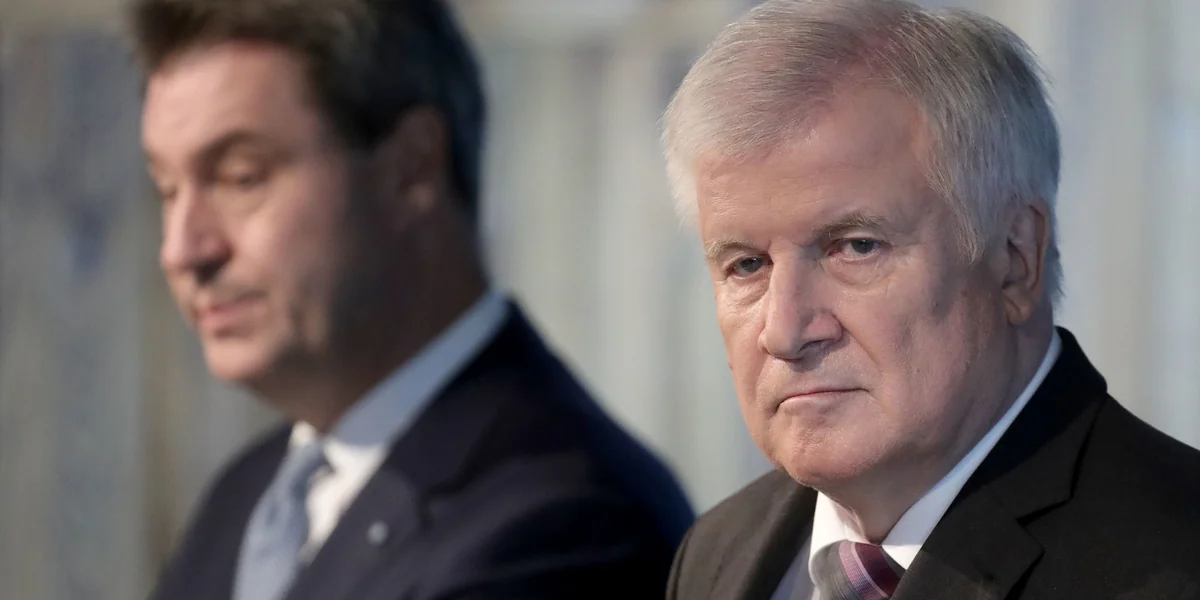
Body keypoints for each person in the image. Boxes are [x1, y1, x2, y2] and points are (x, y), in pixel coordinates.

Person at [134, 1, 694, 598]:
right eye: (167, 189)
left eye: (240, 176)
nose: (182, 250)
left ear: (412, 166)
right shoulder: (243, 500)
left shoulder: (568, 527)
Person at [659, 0, 1200, 598]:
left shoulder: (1174, 566)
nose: (785, 331)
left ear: (1016, 258)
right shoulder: (716, 554)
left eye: (856, 247)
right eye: (747, 264)